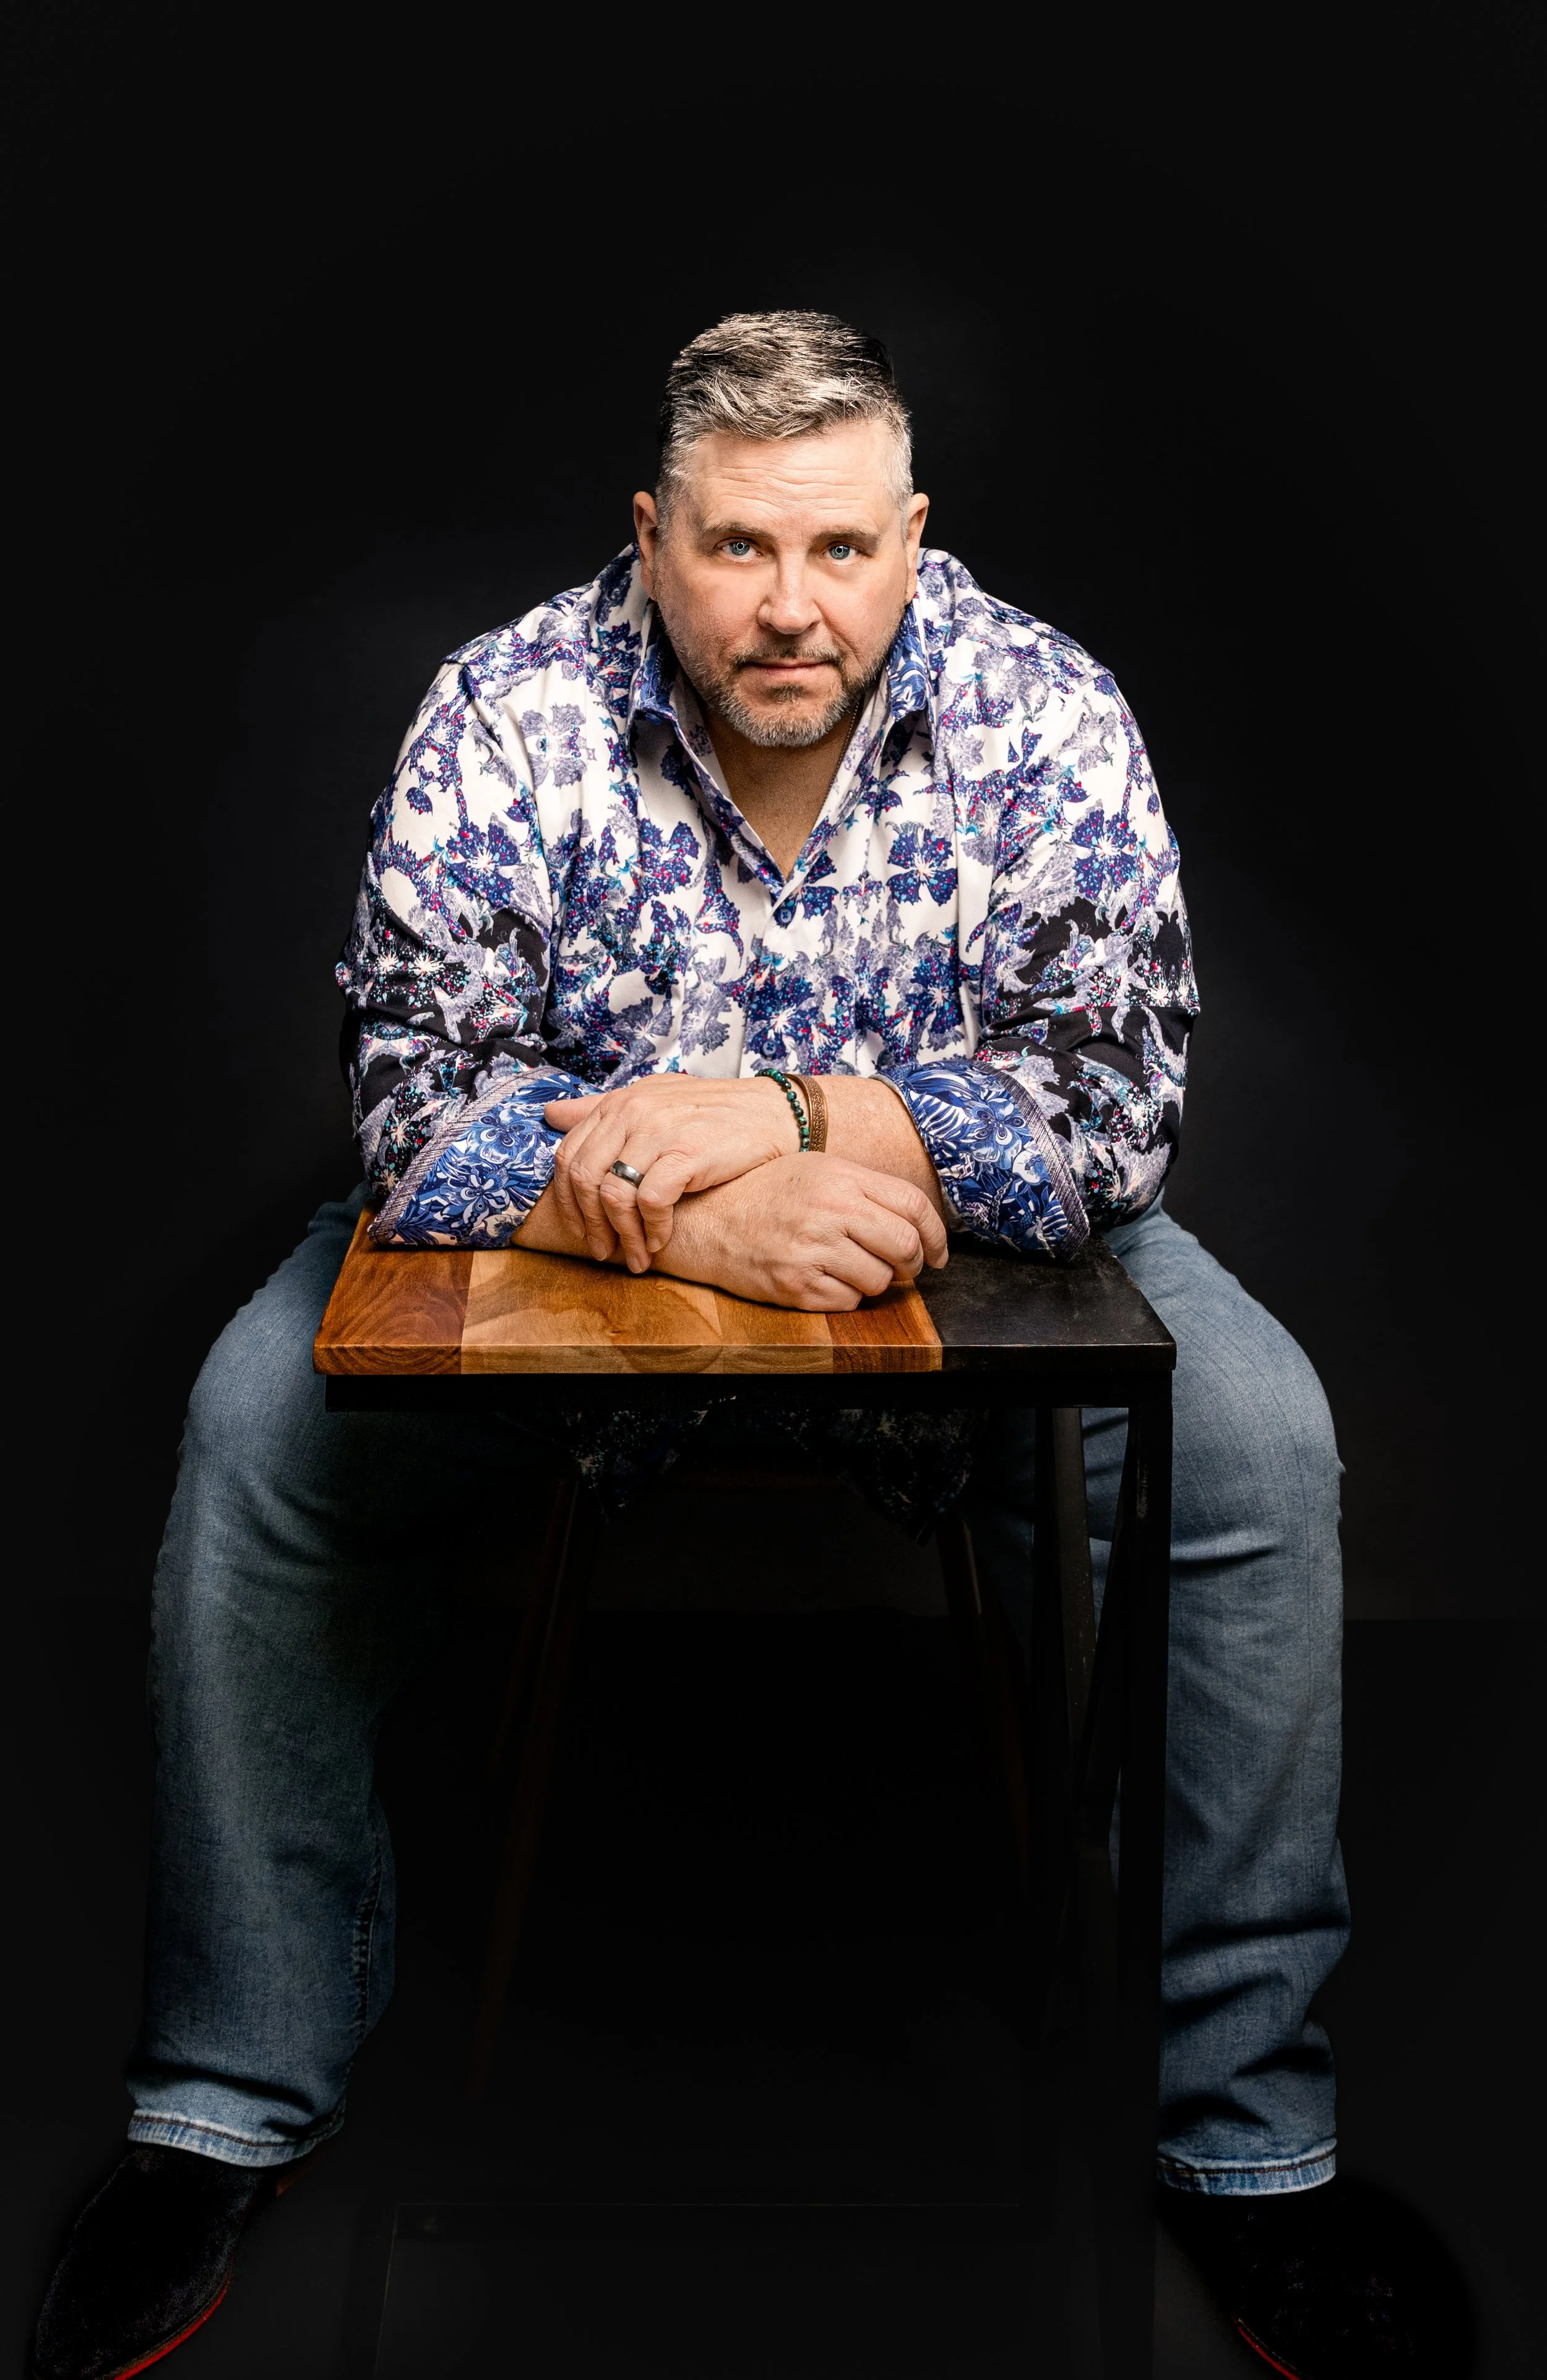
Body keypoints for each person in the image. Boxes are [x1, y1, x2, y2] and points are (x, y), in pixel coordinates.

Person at [31, 313, 1461, 2379]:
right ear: (649, 536)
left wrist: (787, 1117)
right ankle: (221, 2105)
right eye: (732, 549)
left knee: (1253, 1436)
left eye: (837, 548)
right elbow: (415, 1104)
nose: (789, 607)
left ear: (909, 537)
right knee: (258, 1423)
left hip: (955, 1265)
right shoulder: (505, 707)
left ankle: (1253, 2147)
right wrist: (720, 1217)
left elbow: (1111, 1108)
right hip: (569, 1257)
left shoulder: (1046, 708)